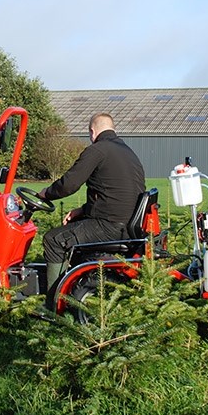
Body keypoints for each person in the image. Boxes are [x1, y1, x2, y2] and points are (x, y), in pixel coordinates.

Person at [37, 112, 145, 292]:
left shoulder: (97, 150)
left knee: (53, 240)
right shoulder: (127, 152)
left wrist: (45, 194)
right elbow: (113, 194)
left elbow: (68, 185)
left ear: (92, 132)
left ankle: (53, 302)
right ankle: (71, 282)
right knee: (73, 230)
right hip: (128, 223)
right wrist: (82, 210)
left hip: (110, 226)